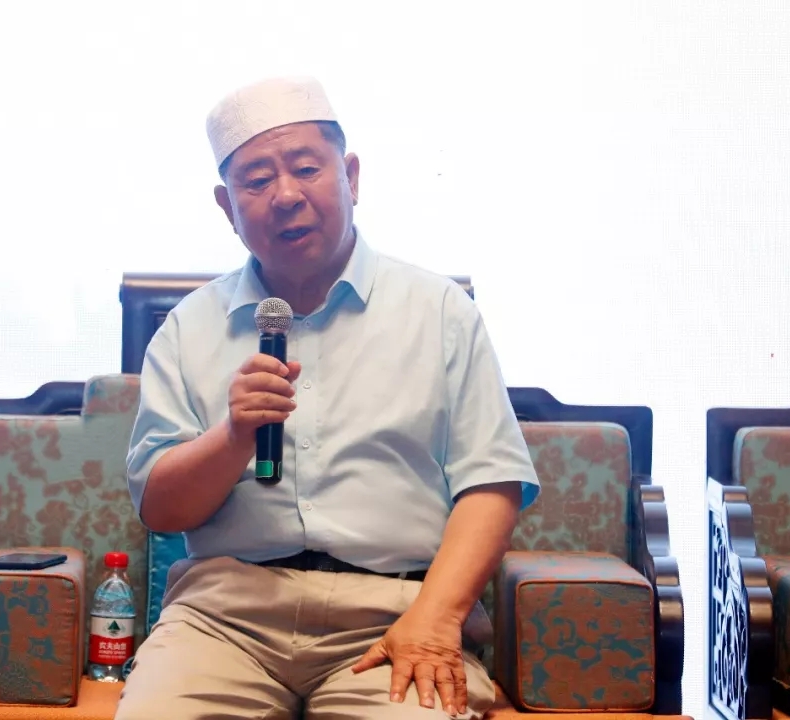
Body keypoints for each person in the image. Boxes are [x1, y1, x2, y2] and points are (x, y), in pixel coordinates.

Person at [119, 76, 540, 720]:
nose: (286, 195)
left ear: (351, 177)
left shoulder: (439, 312)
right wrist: (233, 436)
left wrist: (435, 619)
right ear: (227, 207)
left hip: (395, 615)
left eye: (307, 168)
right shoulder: (187, 329)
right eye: (257, 181)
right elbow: (161, 508)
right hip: (222, 620)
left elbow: (492, 484)